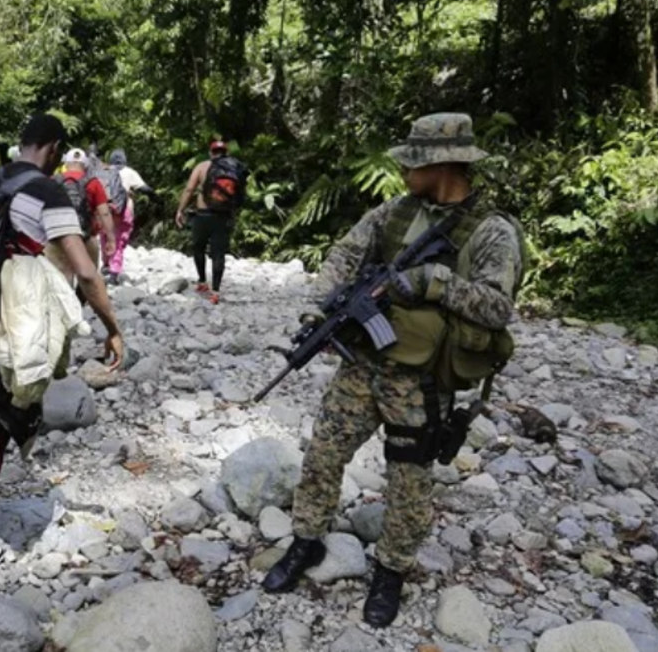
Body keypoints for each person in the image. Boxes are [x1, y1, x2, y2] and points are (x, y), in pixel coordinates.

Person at [261, 113, 523, 628]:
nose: (404, 172)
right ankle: (307, 540)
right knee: (323, 453)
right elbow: (345, 253)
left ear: (443, 165)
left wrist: (434, 283)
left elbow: (497, 308)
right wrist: (321, 307)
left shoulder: (490, 231)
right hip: (363, 363)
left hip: (422, 379)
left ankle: (391, 570)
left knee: (408, 481)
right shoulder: (395, 212)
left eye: (414, 163)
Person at [0, 114, 125, 574]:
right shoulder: (46, 191)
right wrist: (113, 328)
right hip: (3, 323)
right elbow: (85, 271)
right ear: (55, 148)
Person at [175, 140, 245, 304]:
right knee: (219, 254)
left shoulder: (202, 166)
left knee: (198, 247)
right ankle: (216, 292)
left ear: (210, 152)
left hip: (203, 215)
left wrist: (180, 210)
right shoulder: (234, 169)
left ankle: (202, 281)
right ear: (226, 153)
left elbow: (189, 189)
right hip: (223, 216)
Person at [47, 147, 114, 276]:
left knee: (60, 278)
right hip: (85, 237)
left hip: (57, 237)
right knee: (89, 277)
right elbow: (104, 213)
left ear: (66, 163)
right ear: (85, 164)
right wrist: (111, 239)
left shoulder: (52, 181)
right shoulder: (93, 183)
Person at [104, 149, 154, 283]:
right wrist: (156, 197)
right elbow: (144, 189)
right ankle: (114, 271)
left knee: (105, 236)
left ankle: (106, 264)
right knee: (119, 240)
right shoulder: (130, 172)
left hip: (105, 211)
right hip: (123, 210)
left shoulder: (104, 171)